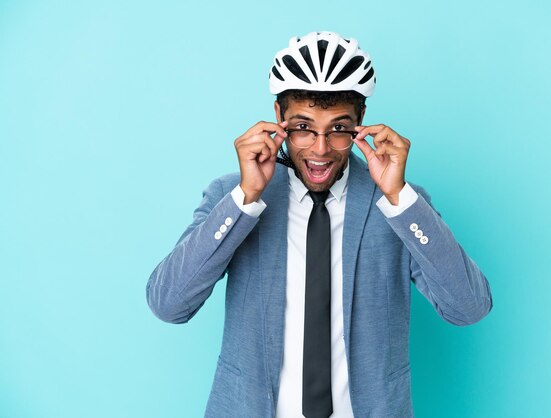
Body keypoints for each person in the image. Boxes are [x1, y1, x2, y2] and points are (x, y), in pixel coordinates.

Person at [146, 31, 492, 418]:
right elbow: (169, 304)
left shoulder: (398, 204)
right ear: (279, 118)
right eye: (303, 127)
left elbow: (469, 308)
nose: (321, 148)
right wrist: (245, 198)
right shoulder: (232, 195)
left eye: (338, 128)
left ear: (360, 122)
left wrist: (401, 199)